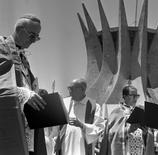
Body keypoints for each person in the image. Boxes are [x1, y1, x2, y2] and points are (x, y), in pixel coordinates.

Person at [0, 14, 47, 155]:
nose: (34, 41)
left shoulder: (23, 57)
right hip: (8, 130)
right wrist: (22, 94)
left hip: (27, 131)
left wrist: (36, 94)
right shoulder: (1, 47)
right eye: (32, 36)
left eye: (37, 37)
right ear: (20, 30)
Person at [55, 78, 105, 155]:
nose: (69, 91)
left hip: (82, 148)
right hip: (66, 145)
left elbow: (99, 127)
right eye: (68, 88)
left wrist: (81, 125)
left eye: (71, 88)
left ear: (82, 89)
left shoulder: (93, 106)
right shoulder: (65, 103)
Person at [100, 85, 155, 155]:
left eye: (137, 96)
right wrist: (128, 130)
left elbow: (150, 133)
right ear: (124, 96)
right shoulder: (116, 113)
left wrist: (146, 134)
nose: (135, 98)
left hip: (139, 151)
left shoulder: (141, 111)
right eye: (133, 95)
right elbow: (111, 135)